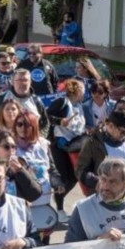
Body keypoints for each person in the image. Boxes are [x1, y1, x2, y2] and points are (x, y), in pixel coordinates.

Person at [65, 158, 125, 245]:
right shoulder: (83, 209)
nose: (106, 186)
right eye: (103, 179)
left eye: (113, 182)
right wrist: (100, 241)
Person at [46, 79, 87, 220]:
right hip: (59, 146)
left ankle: (58, 197)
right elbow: (46, 116)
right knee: (63, 178)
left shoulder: (80, 105)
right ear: (75, 90)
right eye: (82, 88)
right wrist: (60, 121)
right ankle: (59, 209)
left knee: (74, 177)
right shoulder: (62, 102)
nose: (85, 91)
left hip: (74, 146)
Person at [76, 109, 125, 197]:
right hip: (102, 197)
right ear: (110, 126)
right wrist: (96, 181)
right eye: (122, 131)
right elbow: (80, 170)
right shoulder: (93, 143)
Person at [0, 68, 49, 133]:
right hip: (7, 140)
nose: (22, 83)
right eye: (19, 80)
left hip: (30, 140)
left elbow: (45, 122)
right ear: (12, 82)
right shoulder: (1, 98)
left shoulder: (36, 101)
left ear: (30, 82)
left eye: (25, 80)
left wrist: (40, 137)